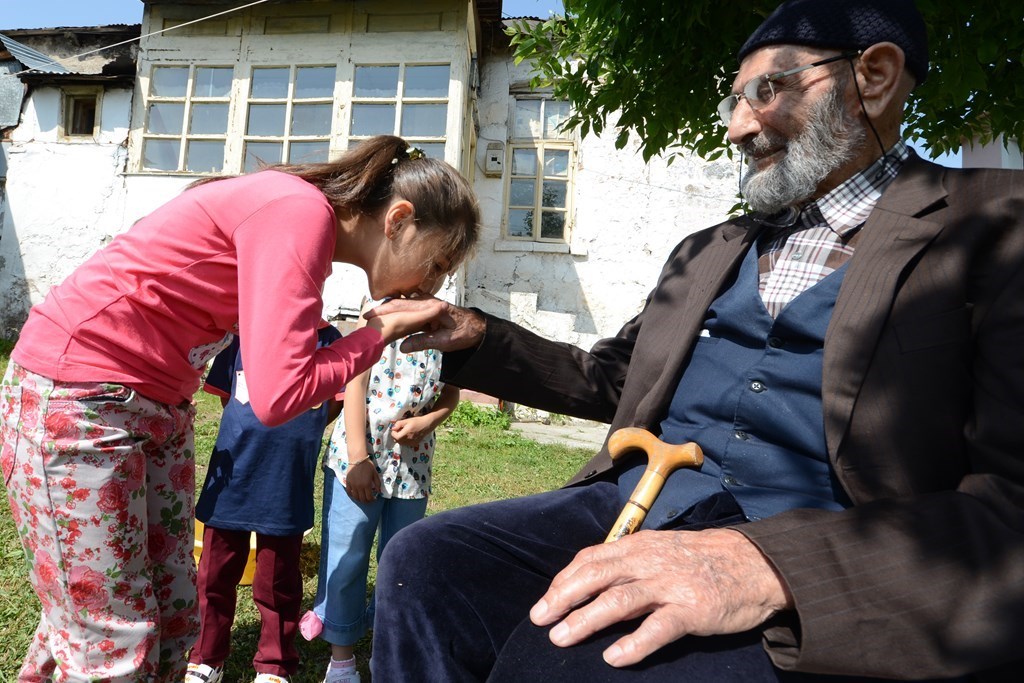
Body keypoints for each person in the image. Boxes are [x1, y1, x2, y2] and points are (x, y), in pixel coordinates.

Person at [365, 1, 1024, 681]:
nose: (738, 127)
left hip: (823, 554)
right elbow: (616, 380)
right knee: (427, 564)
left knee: (572, 663)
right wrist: (475, 335)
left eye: (766, 90)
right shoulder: (707, 250)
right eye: (734, 101)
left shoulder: (1000, 225)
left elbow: (1010, 502)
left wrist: (773, 566)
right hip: (641, 500)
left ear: (874, 77)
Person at [0, 135, 479, 682]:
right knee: (111, 642)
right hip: (80, 395)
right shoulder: (299, 213)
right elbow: (279, 395)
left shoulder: (304, 223)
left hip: (160, 406)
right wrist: (377, 333)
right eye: (437, 263)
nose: (433, 284)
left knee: (174, 614)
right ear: (399, 220)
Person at [299, 297, 460, 683]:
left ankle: (387, 650)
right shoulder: (376, 312)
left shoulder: (449, 322)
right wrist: (359, 459)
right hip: (358, 459)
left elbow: (452, 392)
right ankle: (341, 660)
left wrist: (430, 421)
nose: (431, 274)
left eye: (443, 269)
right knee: (347, 556)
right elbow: (354, 383)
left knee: (402, 560)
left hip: (412, 467)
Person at [185, 324, 343, 683]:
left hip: (286, 479)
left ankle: (274, 664)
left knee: (278, 580)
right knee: (214, 574)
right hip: (233, 477)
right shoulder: (243, 333)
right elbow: (227, 397)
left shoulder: (329, 341)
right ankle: (207, 657)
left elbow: (333, 402)